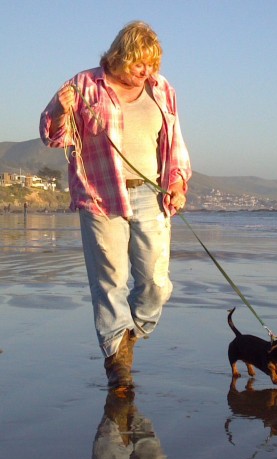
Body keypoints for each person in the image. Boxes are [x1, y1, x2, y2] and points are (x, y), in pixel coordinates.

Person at [40, 21, 191, 393]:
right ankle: (116, 360)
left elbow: (173, 141)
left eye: (152, 64)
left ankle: (128, 335)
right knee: (110, 280)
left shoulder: (162, 89)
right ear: (122, 55)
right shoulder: (83, 85)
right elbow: (52, 135)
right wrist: (60, 112)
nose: (147, 71)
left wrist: (177, 183)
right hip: (100, 193)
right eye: (140, 63)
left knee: (157, 283)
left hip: (150, 193)